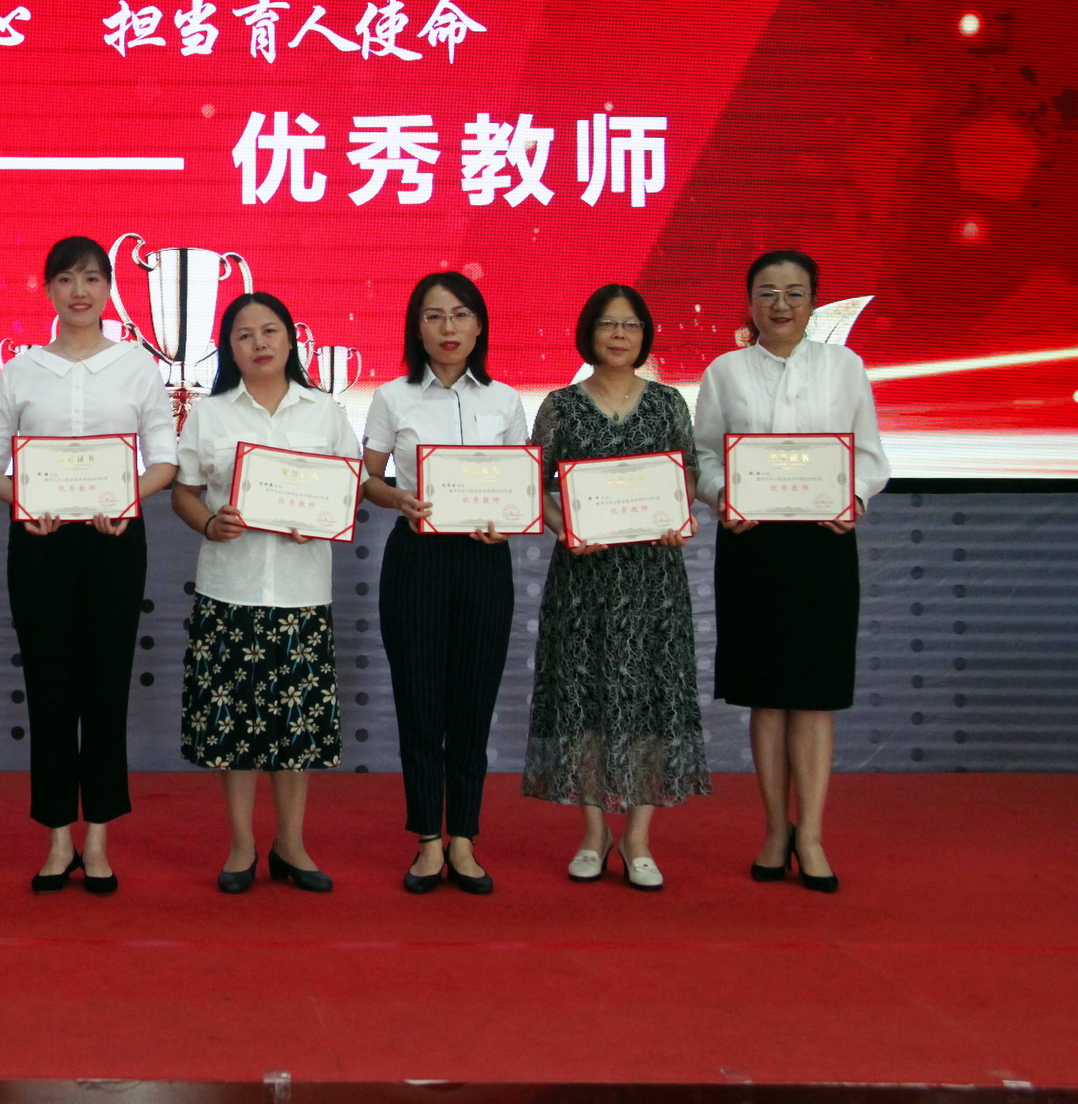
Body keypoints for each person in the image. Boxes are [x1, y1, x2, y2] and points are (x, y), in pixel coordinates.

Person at [0, 236, 178, 896]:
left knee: (106, 689)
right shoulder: (22, 370)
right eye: (65, 279)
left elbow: (165, 460)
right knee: (50, 688)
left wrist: (127, 498)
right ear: (49, 290)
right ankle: (58, 836)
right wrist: (24, 502)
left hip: (116, 541)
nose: (79, 292)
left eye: (91, 278)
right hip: (41, 543)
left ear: (109, 287)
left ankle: (99, 839)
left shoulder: (137, 367)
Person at [692, 250, 888, 895]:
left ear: (814, 301)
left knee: (814, 694)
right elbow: (703, 456)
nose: (781, 305)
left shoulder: (845, 367)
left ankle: (813, 836)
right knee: (767, 694)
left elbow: (869, 455)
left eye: (795, 292)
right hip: (752, 544)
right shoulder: (724, 372)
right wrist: (724, 496)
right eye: (768, 293)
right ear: (750, 302)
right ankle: (776, 829)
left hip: (823, 545)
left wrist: (851, 497)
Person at [171, 291, 358, 894]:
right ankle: (241, 845)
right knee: (234, 727)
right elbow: (184, 491)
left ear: (290, 339)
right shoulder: (210, 414)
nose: (259, 343)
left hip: (302, 592)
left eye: (270, 330)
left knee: (296, 727)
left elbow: (349, 487)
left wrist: (321, 516)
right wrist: (209, 523)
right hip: (231, 588)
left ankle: (291, 844)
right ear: (229, 347)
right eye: (244, 334)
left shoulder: (324, 411)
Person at [525, 284, 709, 892]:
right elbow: (532, 485)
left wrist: (681, 518)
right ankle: (593, 833)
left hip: (653, 580)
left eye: (631, 324)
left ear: (645, 334)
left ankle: (639, 839)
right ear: (589, 333)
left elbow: (687, 476)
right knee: (584, 700)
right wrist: (566, 528)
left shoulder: (667, 403)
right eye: (608, 324)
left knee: (651, 700)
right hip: (583, 578)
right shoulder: (560, 406)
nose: (620, 334)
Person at [361, 272, 528, 896]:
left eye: (460, 314)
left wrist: (509, 518)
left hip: (485, 561)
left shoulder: (505, 400)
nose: (448, 328)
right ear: (417, 328)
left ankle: (465, 838)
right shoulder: (392, 397)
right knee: (420, 703)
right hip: (417, 559)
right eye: (433, 316)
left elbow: (520, 485)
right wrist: (397, 499)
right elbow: (366, 478)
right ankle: (427, 840)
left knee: (472, 705)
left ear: (479, 325)